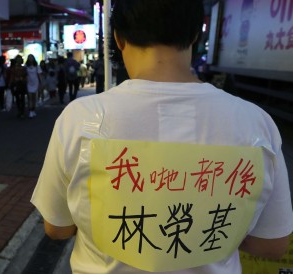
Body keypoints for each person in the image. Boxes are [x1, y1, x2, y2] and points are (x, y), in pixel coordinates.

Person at [31, 1, 293, 274]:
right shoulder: (256, 123)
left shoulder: (80, 118)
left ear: (118, 38)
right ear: (195, 35)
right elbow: (272, 244)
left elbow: (57, 228)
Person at [25, 54, 41, 118]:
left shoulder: (36, 66)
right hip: (29, 82)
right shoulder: (26, 66)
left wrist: (40, 83)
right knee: (30, 97)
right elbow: (25, 74)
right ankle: (30, 111)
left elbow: (39, 74)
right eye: (29, 58)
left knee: (34, 97)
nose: (30, 59)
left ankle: (33, 109)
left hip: (35, 82)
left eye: (31, 57)